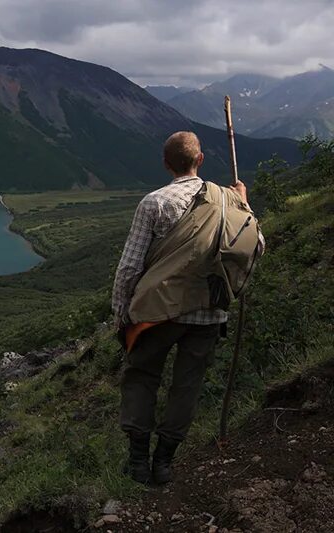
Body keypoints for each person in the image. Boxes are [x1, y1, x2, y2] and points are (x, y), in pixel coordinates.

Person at [111, 131, 256, 485]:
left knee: (142, 375)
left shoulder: (154, 203)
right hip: (209, 311)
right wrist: (244, 204)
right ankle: (165, 461)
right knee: (187, 385)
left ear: (166, 163)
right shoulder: (228, 200)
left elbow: (129, 267)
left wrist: (120, 312)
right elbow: (254, 245)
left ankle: (138, 462)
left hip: (159, 311)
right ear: (201, 160)